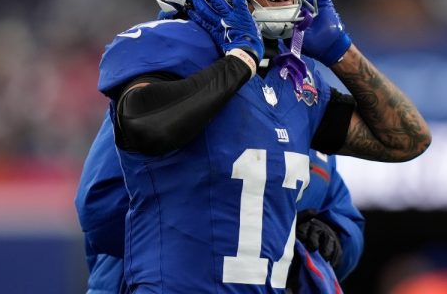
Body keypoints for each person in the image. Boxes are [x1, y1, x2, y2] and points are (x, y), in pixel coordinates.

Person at [93, 0, 431, 293]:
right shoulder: (169, 46)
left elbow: (406, 141)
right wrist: (239, 60)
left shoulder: (295, 80)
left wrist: (340, 50)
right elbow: (141, 131)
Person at [76, 111, 365, 293]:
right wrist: (206, 235)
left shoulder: (305, 117)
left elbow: (345, 219)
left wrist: (333, 240)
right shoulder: (173, 96)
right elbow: (100, 209)